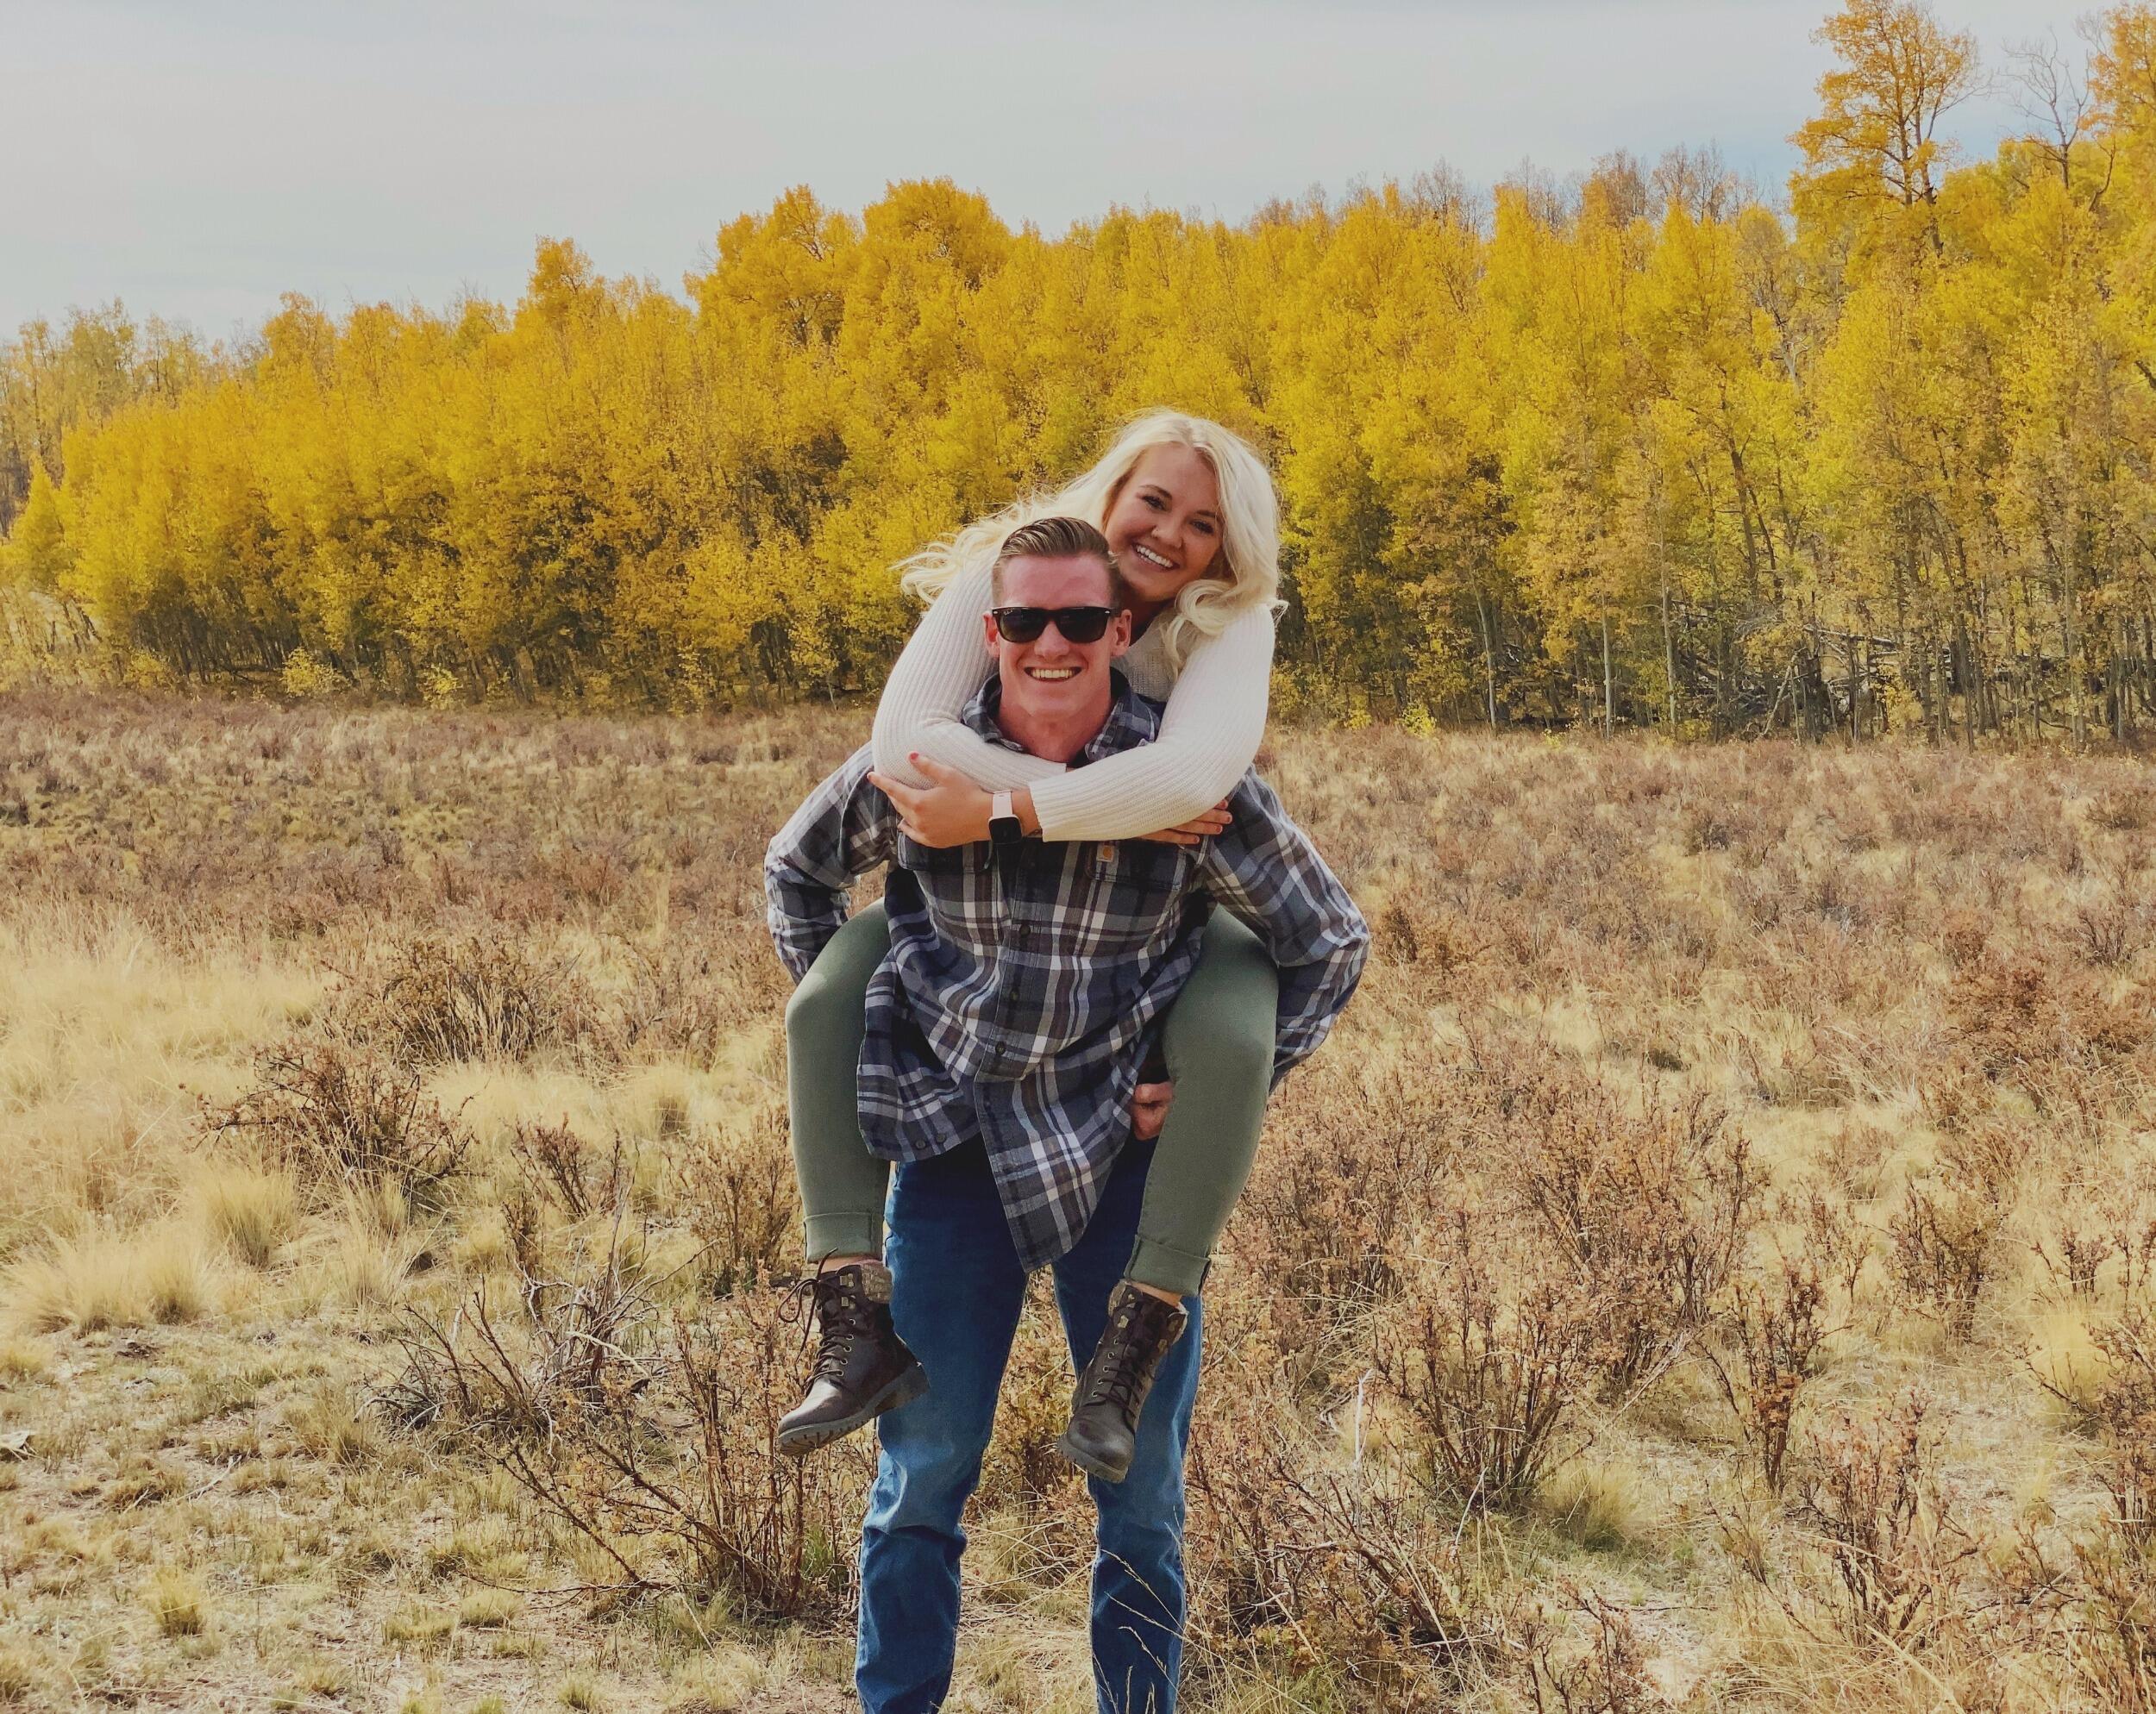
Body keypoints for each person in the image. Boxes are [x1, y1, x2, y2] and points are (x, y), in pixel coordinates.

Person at [764, 516, 1366, 1713]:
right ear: (989, 635)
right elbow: (795, 871)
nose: (1052, 644)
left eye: (1080, 621)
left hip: (1118, 1162)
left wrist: (1224, 1087)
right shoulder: (919, 767)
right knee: (922, 1475)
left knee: (1139, 1497)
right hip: (954, 1153)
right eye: (1026, 620)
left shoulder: (1187, 790)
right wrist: (864, 1015)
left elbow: (1329, 941)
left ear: (1119, 630)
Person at [779, 411, 1288, 1466]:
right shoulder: (1018, 565)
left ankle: (1143, 1322)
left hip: (1142, 976)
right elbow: (900, 750)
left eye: (1201, 522)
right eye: (1152, 500)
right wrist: (892, 1021)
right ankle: (848, 1308)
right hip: (964, 1024)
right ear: (1108, 495)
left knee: (1235, 1032)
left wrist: (1011, 809)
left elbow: (1193, 786)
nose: (1168, 534)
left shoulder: (1227, 623)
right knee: (829, 999)